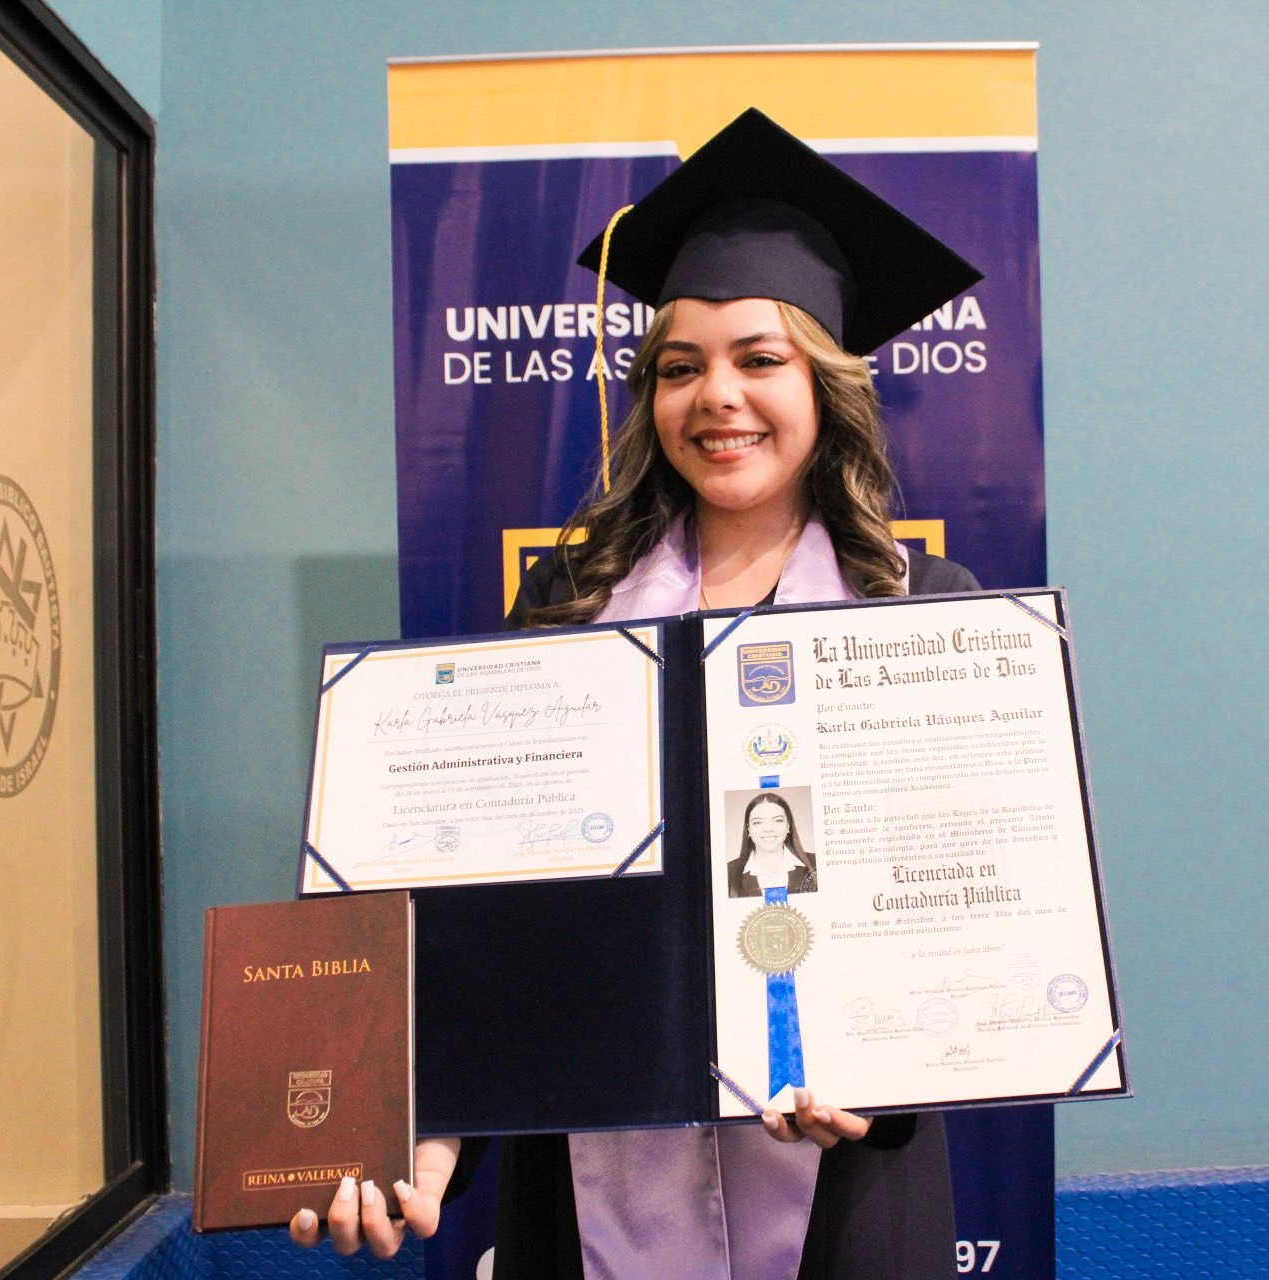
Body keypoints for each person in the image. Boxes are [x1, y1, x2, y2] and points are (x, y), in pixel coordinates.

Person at [293, 108, 983, 1279]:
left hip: (845, 1175)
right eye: (680, 366)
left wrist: (902, 1062)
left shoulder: (923, 609)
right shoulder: (570, 606)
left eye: (759, 358)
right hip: (595, 1165)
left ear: (825, 383)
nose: (717, 395)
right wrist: (428, 1120)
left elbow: (967, 909)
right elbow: (493, 908)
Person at [727, 791, 819, 897]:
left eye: (778, 820)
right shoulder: (728, 872)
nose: (768, 829)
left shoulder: (816, 863)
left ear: (788, 826)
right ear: (748, 829)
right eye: (757, 822)